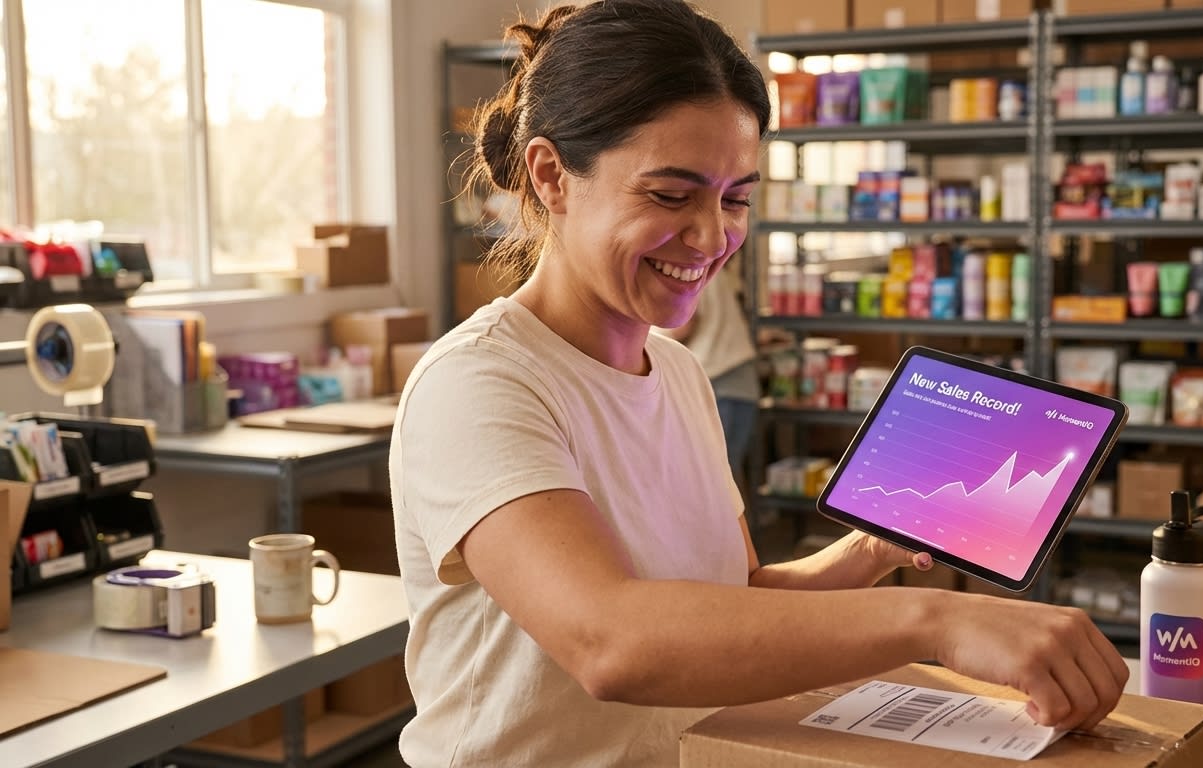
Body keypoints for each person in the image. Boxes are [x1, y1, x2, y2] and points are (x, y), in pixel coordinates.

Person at [389, 2, 1128, 766]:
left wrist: (869, 551)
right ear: (552, 176)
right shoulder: (477, 384)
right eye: (670, 196)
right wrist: (935, 621)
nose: (713, 237)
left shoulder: (676, 371)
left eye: (736, 196)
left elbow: (738, 600)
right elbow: (609, 641)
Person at [654, 255, 759, 489]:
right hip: (740, 380)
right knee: (727, 480)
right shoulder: (709, 265)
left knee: (714, 483)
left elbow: (681, 327)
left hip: (717, 381)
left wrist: (646, 339)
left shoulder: (679, 267)